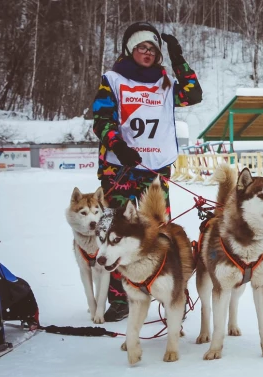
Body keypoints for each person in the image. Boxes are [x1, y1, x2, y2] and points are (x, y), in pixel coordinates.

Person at [92, 21, 202, 322]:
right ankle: (120, 298)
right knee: (117, 233)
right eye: (142, 47)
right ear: (130, 50)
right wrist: (118, 144)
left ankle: (163, 287)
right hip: (120, 168)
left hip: (155, 170)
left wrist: (178, 58)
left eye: (153, 48)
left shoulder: (164, 82)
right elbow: (100, 119)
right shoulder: (113, 79)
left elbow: (193, 95)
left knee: (158, 231)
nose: (148, 52)